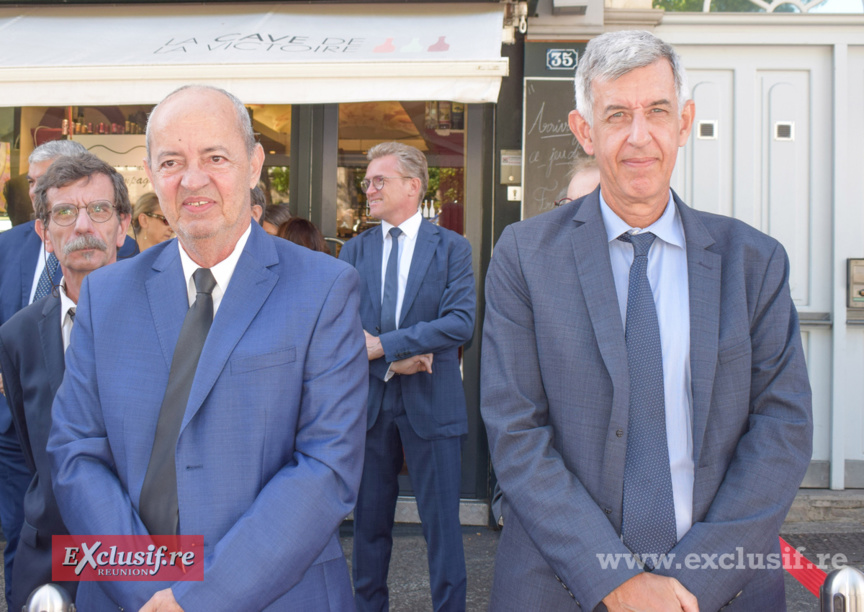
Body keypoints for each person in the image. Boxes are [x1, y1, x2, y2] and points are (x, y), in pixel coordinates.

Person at [481, 30, 812, 612]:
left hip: (723, 590)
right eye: (617, 115)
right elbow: (516, 435)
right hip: (560, 588)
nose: (640, 137)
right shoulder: (524, 256)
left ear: (684, 122)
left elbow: (781, 432)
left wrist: (693, 583)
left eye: (657, 111)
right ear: (585, 131)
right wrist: (617, 583)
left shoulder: (753, 262)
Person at [47, 85, 368, 611]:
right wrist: (149, 589)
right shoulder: (107, 295)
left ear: (254, 164)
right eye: (172, 161)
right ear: (151, 175)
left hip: (275, 595)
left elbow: (325, 467)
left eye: (215, 157)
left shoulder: (325, 288)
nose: (192, 180)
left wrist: (197, 599)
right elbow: (75, 452)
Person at [0, 139, 138, 606]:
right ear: (43, 230)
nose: (82, 226)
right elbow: (31, 444)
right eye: (64, 213)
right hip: (50, 551)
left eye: (99, 209)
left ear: (123, 226)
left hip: (147, 552)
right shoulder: (18, 335)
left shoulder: (175, 319)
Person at [339, 142, 476, 612]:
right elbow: (339, 331)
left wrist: (385, 344)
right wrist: (394, 359)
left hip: (432, 405)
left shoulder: (453, 248)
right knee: (369, 529)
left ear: (413, 186)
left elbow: (461, 321)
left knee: (442, 529)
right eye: (367, 181)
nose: (369, 188)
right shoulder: (354, 251)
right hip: (372, 405)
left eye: (379, 180)